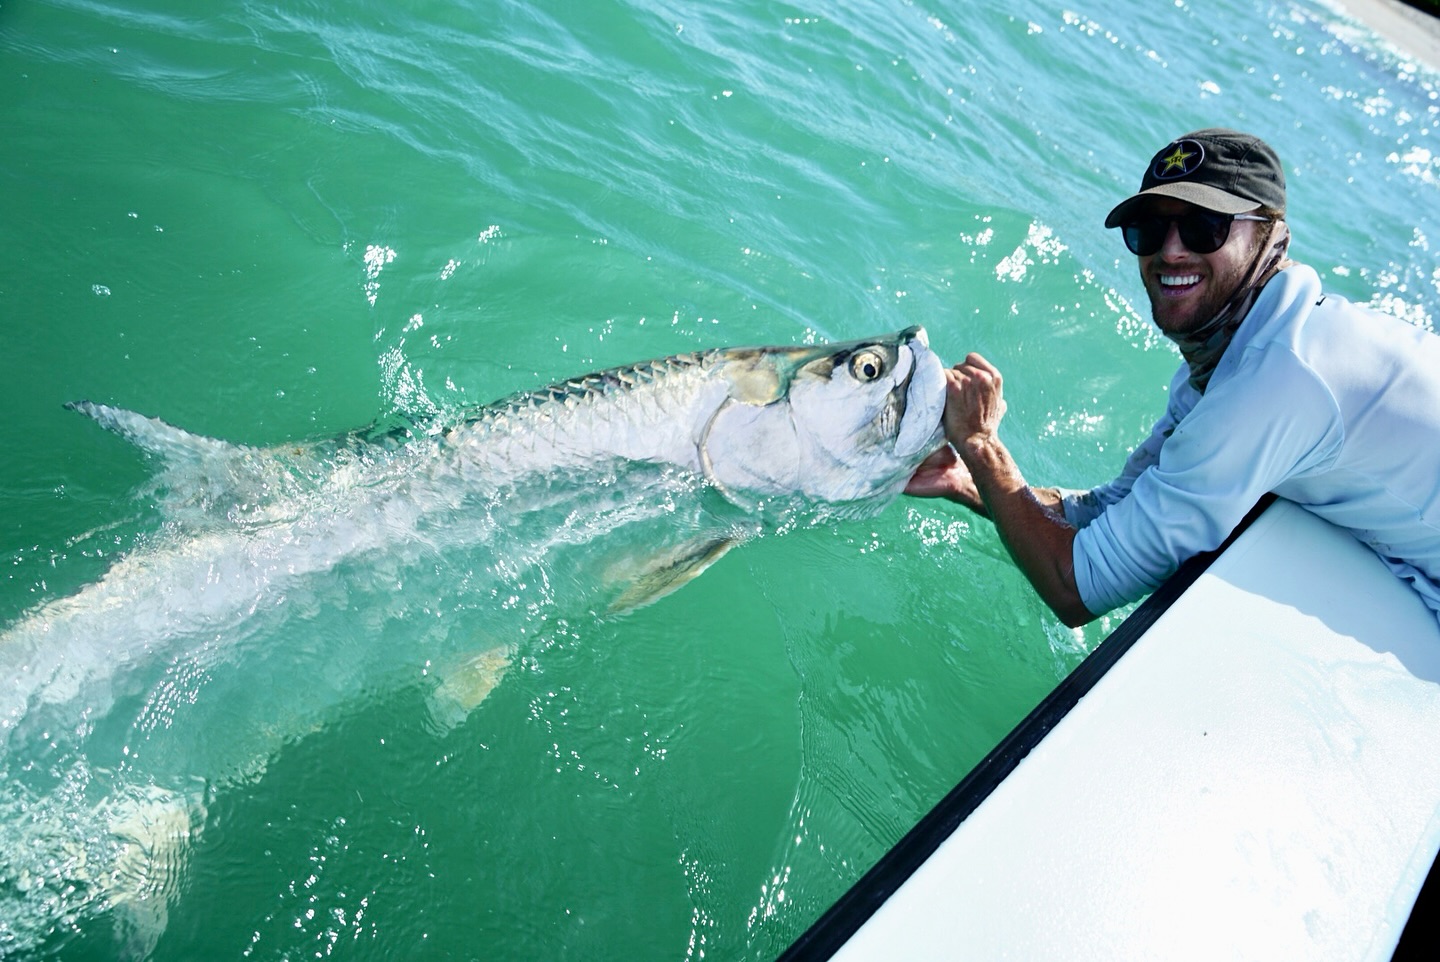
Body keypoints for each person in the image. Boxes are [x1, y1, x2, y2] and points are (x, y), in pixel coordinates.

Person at [906, 128, 1440, 628]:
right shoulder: (1235, 357)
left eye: (1205, 226)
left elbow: (1076, 587)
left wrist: (980, 445)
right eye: (1151, 229)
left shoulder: (1278, 379)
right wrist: (968, 480)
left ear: (1270, 234)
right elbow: (1106, 512)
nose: (1171, 250)